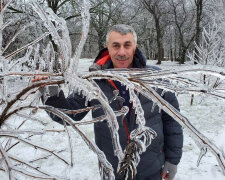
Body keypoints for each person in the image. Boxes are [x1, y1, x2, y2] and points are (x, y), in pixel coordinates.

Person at [34, 24, 183, 180]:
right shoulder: (93, 81)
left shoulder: (156, 78)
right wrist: (50, 90)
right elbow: (70, 114)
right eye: (116, 46)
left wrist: (172, 160)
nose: (122, 52)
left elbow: (172, 121)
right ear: (108, 48)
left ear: (135, 47)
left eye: (127, 45)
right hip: (112, 170)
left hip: (152, 168)